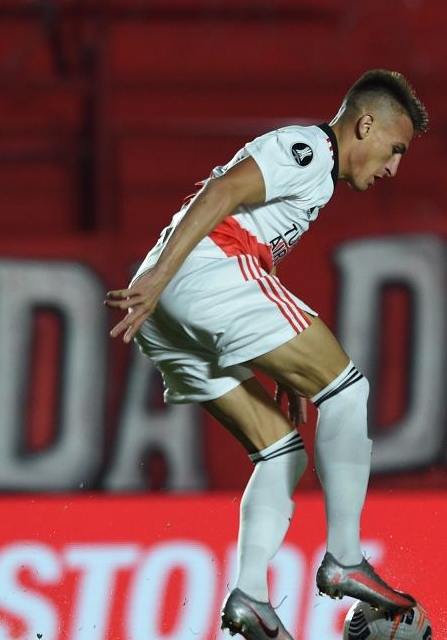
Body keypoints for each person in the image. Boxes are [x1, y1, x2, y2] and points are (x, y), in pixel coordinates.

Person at [105, 69, 428, 640]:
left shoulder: (317, 181)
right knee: (348, 389)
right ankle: (346, 560)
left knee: (281, 450)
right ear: (366, 123)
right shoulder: (308, 150)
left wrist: (279, 363)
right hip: (201, 271)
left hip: (173, 307)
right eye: (395, 150)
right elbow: (222, 192)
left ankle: (251, 595)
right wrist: (161, 276)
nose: (393, 167)